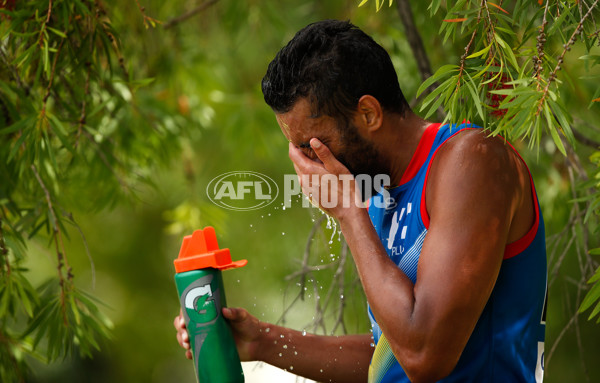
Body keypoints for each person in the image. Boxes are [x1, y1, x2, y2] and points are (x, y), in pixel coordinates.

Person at [174, 20, 547, 383]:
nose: (307, 167)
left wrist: (348, 212)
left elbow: (424, 357)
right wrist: (262, 341)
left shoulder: (472, 162)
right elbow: (390, 357)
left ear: (368, 113)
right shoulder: (375, 193)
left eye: (313, 147)